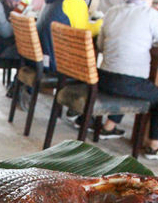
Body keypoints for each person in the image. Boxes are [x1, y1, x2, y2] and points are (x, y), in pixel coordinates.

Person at [92, 0, 158, 159]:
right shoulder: (151, 16)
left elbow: (100, 46)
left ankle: (109, 127)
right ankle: (154, 145)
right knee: (146, 90)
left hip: (103, 78)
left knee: (131, 81)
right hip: (128, 84)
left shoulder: (112, 12)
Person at [36, 0, 103, 72]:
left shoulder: (50, 3)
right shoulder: (75, 2)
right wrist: (103, 22)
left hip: (40, 61)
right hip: (56, 66)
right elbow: (84, 33)